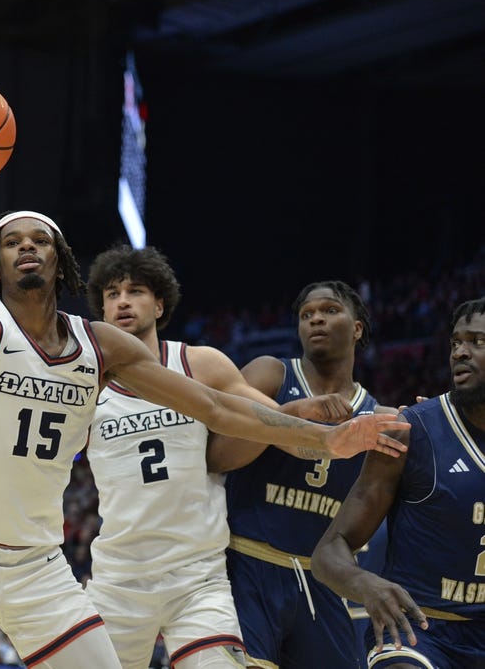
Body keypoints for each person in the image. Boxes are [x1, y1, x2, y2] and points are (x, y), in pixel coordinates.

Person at [0, 121, 407, 669]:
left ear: (61, 261)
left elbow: (216, 408)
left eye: (39, 240)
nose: (26, 248)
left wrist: (325, 439)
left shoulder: (101, 346)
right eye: (12, 243)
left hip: (46, 562)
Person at [81, 246, 360, 668]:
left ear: (159, 304)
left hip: (198, 577)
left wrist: (328, 438)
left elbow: (271, 427)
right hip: (119, 578)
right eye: (112, 293)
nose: (122, 301)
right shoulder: (85, 383)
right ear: (101, 308)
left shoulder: (200, 364)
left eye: (135, 291)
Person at [221, 281, 398, 669]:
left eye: (330, 310)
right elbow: (217, 455)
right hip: (248, 566)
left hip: (321, 581)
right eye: (306, 314)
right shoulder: (271, 374)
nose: (316, 318)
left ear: (357, 328)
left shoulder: (377, 416)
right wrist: (290, 415)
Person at [312, 297, 485, 669]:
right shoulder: (411, 431)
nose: (460, 352)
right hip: (420, 631)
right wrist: (364, 584)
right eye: (456, 342)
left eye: (477, 342)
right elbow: (328, 552)